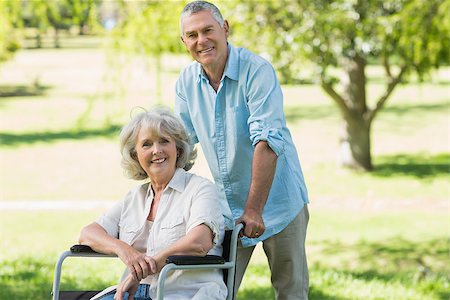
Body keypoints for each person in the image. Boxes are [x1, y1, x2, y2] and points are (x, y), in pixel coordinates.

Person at [175, 1, 310, 299]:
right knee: (214, 290)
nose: (202, 40)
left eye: (208, 30)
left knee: (291, 292)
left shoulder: (257, 71)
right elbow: (181, 146)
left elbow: (267, 141)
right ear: (184, 41)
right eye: (192, 35)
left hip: (280, 201)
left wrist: (253, 209)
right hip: (225, 209)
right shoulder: (186, 83)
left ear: (224, 29)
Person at [78, 107, 227, 300]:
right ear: (135, 155)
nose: (157, 150)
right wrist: (125, 251)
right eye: (146, 144)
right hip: (133, 293)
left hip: (186, 294)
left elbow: (199, 243)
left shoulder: (201, 189)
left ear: (178, 148)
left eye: (164, 141)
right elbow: (88, 234)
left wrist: (144, 269)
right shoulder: (134, 198)